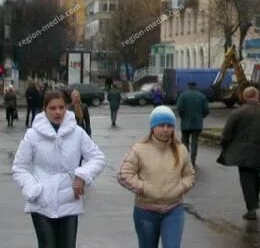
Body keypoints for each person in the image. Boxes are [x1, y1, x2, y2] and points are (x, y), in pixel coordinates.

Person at [12, 90, 106, 248]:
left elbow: (98, 158)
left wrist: (81, 175)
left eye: (61, 107)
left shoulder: (77, 133)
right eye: (53, 108)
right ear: (44, 109)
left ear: (67, 107)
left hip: (69, 199)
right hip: (42, 202)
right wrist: (33, 189)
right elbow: (19, 167)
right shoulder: (33, 136)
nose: (58, 112)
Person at [118, 105, 195, 248]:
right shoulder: (139, 149)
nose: (166, 129)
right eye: (161, 125)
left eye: (169, 125)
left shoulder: (181, 150)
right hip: (146, 211)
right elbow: (124, 175)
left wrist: (180, 188)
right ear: (153, 127)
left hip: (174, 210)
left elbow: (189, 174)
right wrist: (145, 188)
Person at [217, 87, 260, 220]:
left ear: (244, 97)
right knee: (255, 176)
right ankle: (255, 201)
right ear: (258, 96)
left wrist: (224, 144)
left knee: (246, 179)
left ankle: (251, 208)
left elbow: (227, 133)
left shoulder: (237, 113)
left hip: (242, 152)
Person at [176, 82, 210, 168]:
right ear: (196, 86)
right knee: (195, 142)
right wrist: (201, 117)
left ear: (188, 86)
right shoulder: (201, 96)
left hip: (185, 123)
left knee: (184, 142)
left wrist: (183, 116)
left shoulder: (183, 96)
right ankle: (193, 161)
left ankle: (185, 160)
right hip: (197, 123)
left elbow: (179, 108)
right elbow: (206, 110)